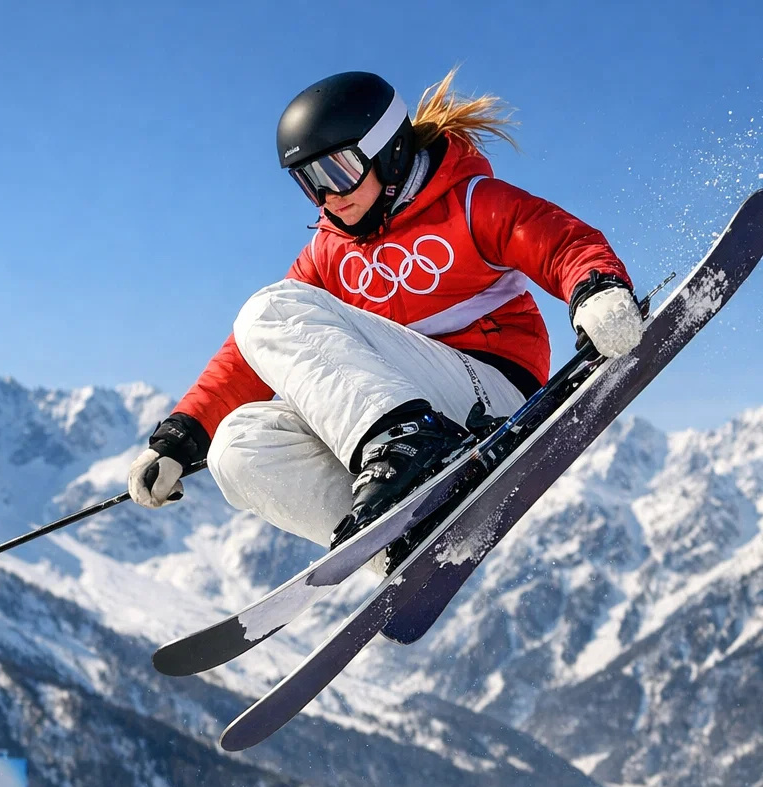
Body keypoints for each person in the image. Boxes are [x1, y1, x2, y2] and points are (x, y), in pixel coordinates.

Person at [128, 69, 640, 564]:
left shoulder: (465, 204)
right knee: (237, 448)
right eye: (310, 181)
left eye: (339, 171)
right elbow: (250, 355)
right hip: (419, 412)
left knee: (269, 307)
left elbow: (555, 239)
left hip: (490, 397)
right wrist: (183, 435)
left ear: (390, 152)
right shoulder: (330, 250)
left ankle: (406, 446)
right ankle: (399, 541)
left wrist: (596, 289)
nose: (330, 196)